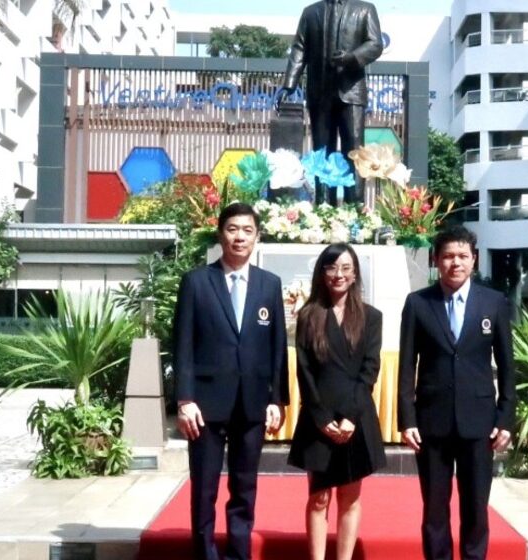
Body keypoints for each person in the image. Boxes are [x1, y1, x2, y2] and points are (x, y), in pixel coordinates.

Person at [173, 203, 290, 560]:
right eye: (233, 229)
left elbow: (277, 346)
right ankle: (204, 552)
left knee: (244, 486)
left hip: (252, 402)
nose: (240, 237)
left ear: (257, 236)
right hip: (205, 405)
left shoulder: (269, 285)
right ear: (221, 233)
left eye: (247, 230)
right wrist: (184, 399)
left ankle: (239, 552)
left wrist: (277, 399)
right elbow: (183, 345)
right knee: (205, 487)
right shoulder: (196, 282)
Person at [397, 225, 515, 560]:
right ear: (436, 260)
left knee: (476, 508)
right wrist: (407, 419)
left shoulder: (494, 303)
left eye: (463, 256)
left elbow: (507, 365)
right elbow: (407, 365)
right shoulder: (418, 303)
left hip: (480, 424)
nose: (455, 263)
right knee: (434, 510)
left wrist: (506, 419)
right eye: (448, 256)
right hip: (432, 423)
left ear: (474, 260)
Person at [287, 243, 386, 560]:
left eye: (345, 267)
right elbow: (304, 370)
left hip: (354, 417)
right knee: (318, 498)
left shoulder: (371, 317)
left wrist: (350, 417)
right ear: (322, 272)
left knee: (350, 497)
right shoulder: (309, 316)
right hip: (319, 419)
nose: (338, 274)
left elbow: (370, 369)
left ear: (355, 273)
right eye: (331, 267)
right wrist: (320, 416)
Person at [278, 0, 384, 206]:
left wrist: (352, 58)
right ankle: (324, 206)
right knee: (321, 152)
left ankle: (355, 207)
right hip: (320, 92)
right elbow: (299, 49)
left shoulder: (365, 9)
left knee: (353, 152)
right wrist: (289, 84)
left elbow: (375, 44)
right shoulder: (310, 13)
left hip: (350, 91)